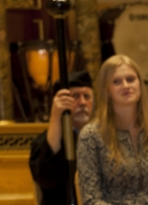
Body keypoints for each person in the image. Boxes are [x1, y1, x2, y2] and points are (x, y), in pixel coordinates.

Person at [77, 55, 148, 205]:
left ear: (139, 84)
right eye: (116, 81)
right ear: (106, 90)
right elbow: (91, 199)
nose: (126, 86)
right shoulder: (91, 136)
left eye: (130, 79)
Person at [29, 70, 94, 205]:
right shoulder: (43, 141)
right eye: (75, 96)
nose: (83, 102)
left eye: (87, 96)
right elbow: (47, 178)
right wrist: (56, 117)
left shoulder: (102, 137)